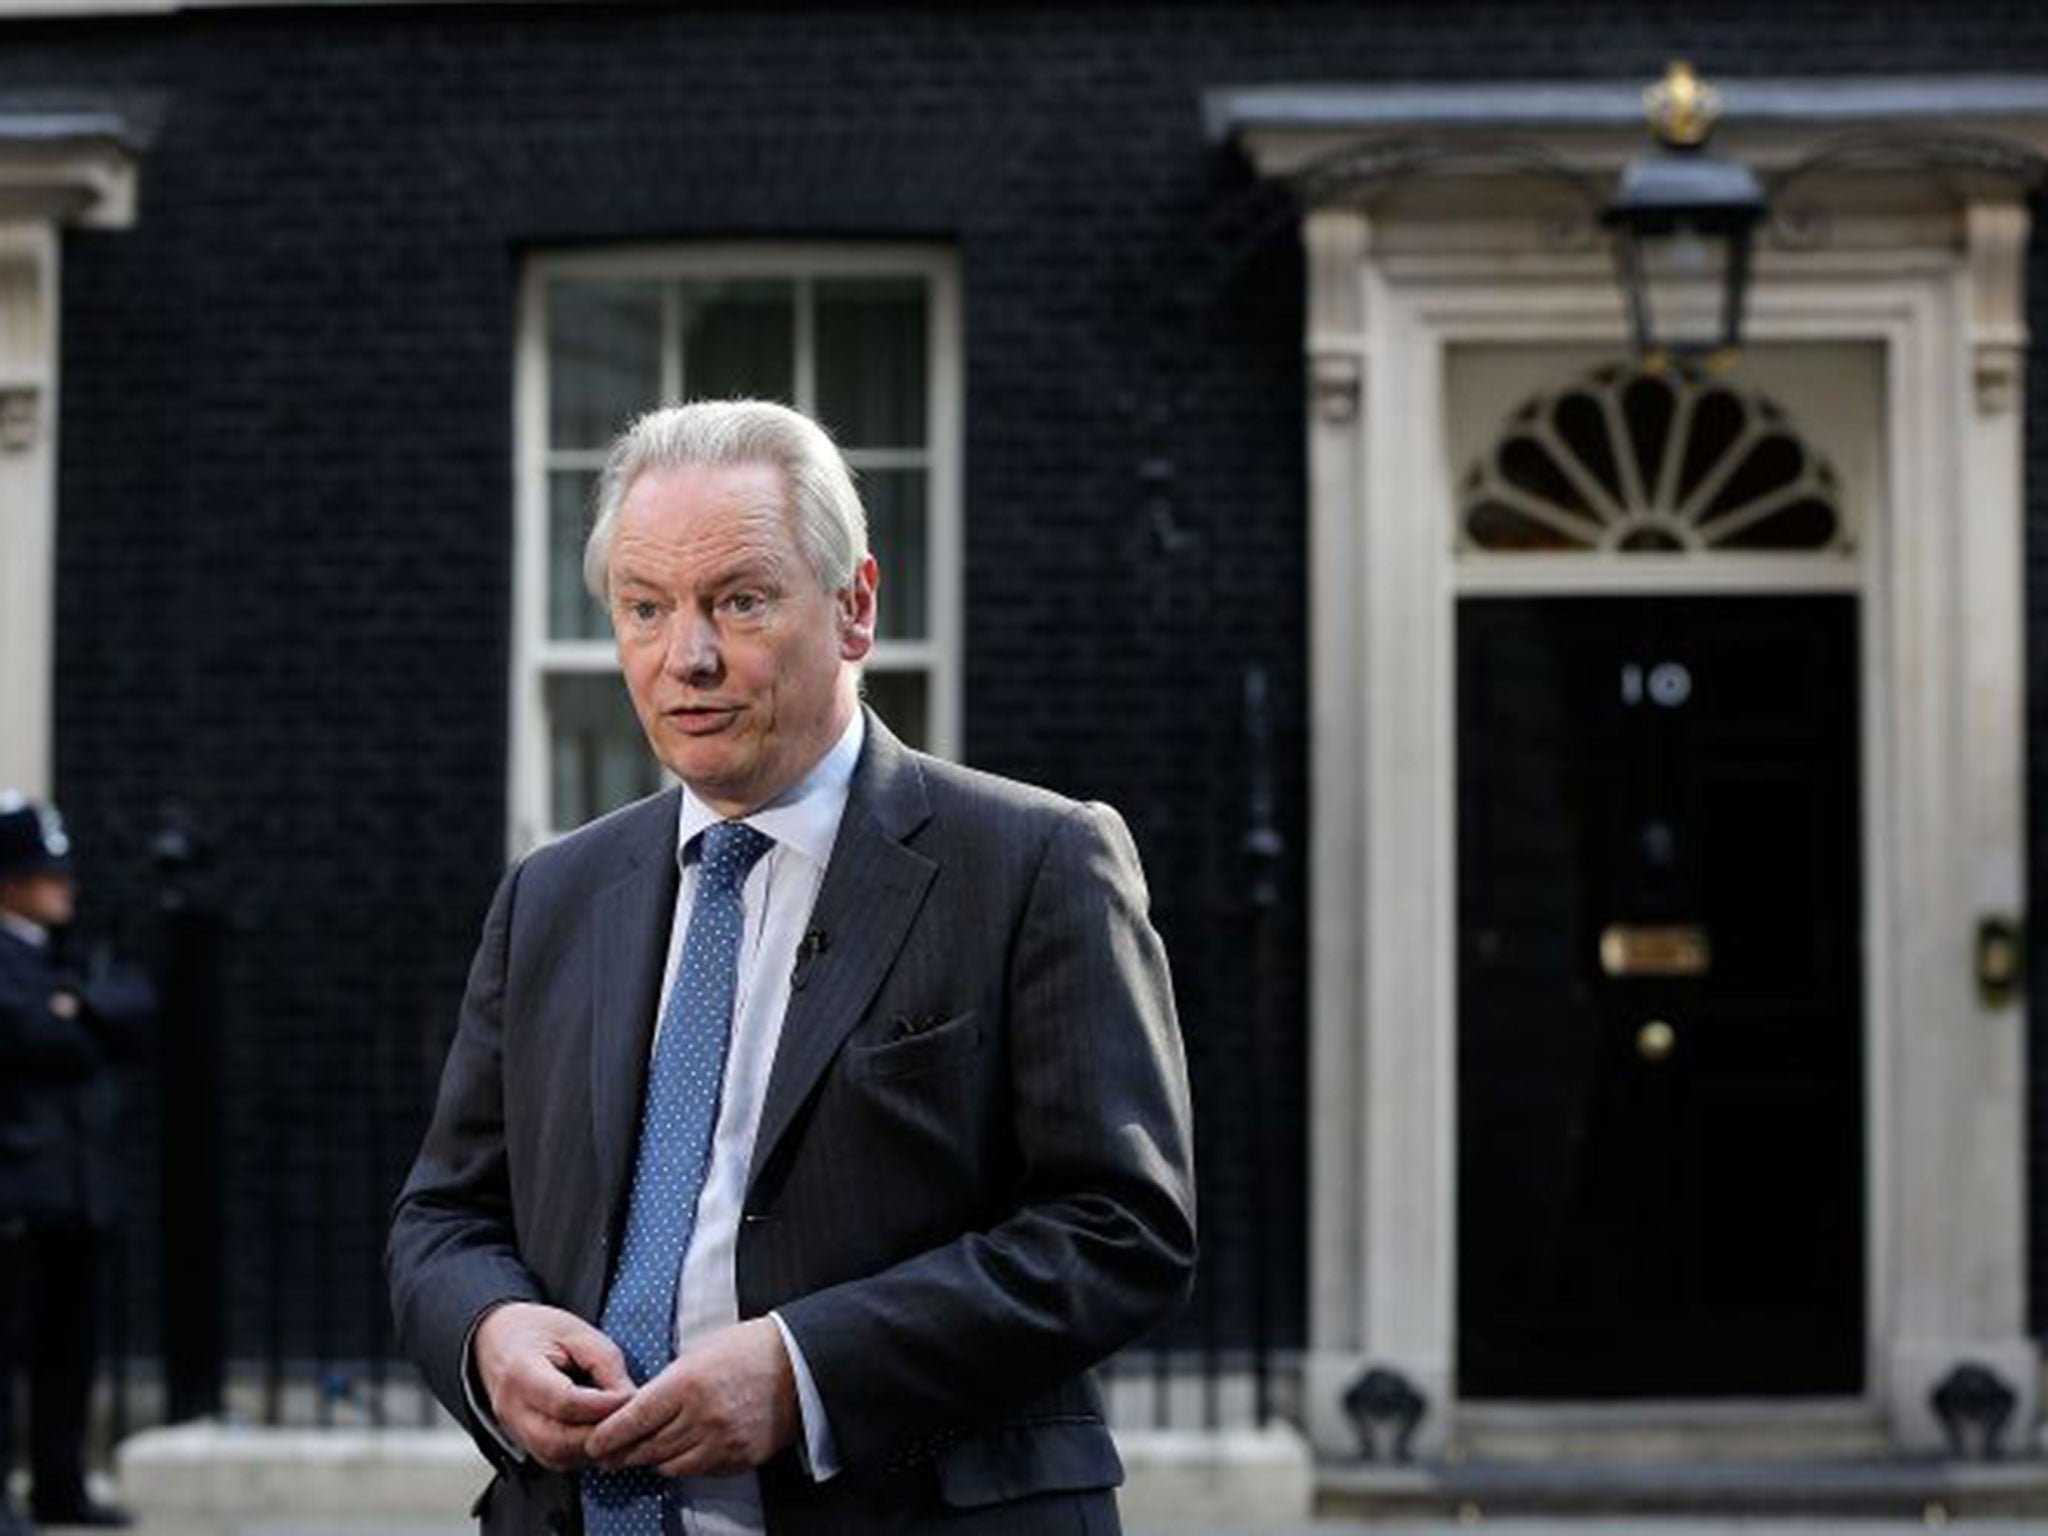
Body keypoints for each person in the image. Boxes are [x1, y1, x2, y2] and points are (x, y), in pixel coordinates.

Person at [388, 400, 1196, 1536]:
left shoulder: (1033, 862)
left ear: (856, 607)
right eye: (645, 608)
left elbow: (1120, 1228)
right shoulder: (550, 897)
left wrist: (804, 1371)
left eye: (740, 601)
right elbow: (443, 1218)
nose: (688, 656)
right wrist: (489, 1334)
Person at [0, 795, 152, 1534]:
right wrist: (73, 1017)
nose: (64, 886)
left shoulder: (66, 954)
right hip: (17, 1188)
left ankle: (59, 1485)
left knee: (70, 1348)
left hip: (78, 1189)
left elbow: (131, 1005)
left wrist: (74, 1010)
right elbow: (32, 1031)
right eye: (43, 872)